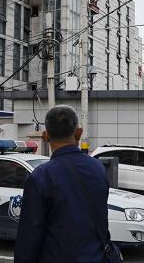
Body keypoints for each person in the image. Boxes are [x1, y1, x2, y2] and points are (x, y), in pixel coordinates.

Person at [14, 105, 118, 263]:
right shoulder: (98, 168)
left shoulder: (41, 177)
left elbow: (29, 237)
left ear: (46, 136)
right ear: (78, 133)